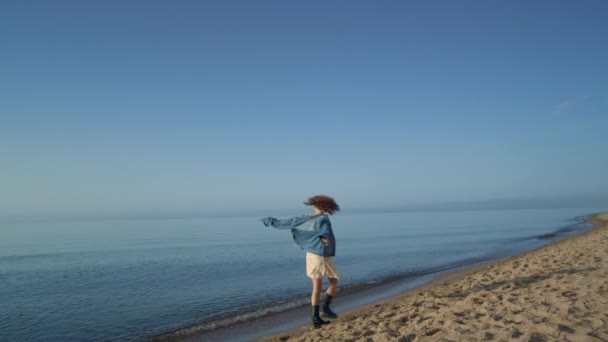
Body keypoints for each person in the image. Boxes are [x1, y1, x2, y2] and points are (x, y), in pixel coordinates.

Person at [261, 195, 341, 328]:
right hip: (320, 255)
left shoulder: (304, 218)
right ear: (327, 207)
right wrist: (324, 241)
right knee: (329, 282)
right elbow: (324, 234)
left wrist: (269, 221)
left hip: (311, 255)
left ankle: (319, 315)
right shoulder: (323, 219)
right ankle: (322, 312)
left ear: (314, 205)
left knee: (323, 284)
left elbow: (284, 223)